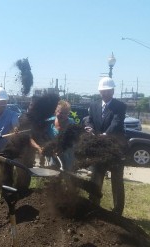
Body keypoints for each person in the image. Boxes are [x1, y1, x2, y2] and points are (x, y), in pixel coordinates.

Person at [85, 77, 126, 215]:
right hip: (98, 149)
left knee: (117, 180)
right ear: (100, 91)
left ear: (113, 91)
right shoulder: (93, 105)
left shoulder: (120, 106)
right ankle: (93, 205)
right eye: (103, 91)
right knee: (96, 176)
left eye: (108, 91)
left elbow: (116, 122)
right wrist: (89, 128)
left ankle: (117, 211)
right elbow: (89, 120)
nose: (106, 94)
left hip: (115, 148)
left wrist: (105, 134)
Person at [43, 100, 76, 171]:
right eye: (60, 113)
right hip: (53, 155)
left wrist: (62, 148)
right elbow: (44, 138)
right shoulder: (49, 123)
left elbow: (74, 140)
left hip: (67, 156)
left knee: (67, 176)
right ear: (55, 112)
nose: (63, 115)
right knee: (52, 175)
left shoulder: (72, 123)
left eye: (66, 113)